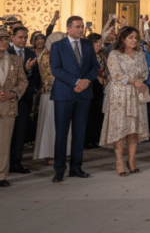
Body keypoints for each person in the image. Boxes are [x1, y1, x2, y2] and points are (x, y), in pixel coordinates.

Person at [50, 16, 100, 182]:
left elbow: (94, 67)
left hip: (84, 94)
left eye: (82, 27)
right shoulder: (57, 46)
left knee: (80, 133)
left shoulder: (87, 45)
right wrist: (77, 82)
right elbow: (56, 69)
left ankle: (76, 167)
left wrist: (85, 81)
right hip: (64, 95)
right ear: (69, 28)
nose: (81, 30)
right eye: (77, 27)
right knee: (62, 133)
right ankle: (59, 169)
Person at [100, 26, 149, 175]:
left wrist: (141, 81)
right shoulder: (115, 54)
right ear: (123, 39)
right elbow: (116, 75)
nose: (134, 40)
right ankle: (119, 162)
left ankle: (132, 161)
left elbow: (146, 71)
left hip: (136, 94)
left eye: (136, 37)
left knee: (133, 129)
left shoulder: (140, 54)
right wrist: (134, 81)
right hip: (120, 95)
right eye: (131, 37)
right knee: (120, 129)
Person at [7, 25, 40, 174]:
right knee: (7, 134)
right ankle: (4, 164)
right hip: (7, 99)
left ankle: (16, 163)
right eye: (20, 37)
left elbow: (36, 76)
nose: (23, 40)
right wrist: (24, 70)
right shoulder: (6, 52)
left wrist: (30, 71)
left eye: (25, 37)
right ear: (12, 38)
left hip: (24, 99)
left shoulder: (30, 52)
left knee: (20, 132)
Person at [34, 32, 71, 163]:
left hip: (61, 93)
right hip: (50, 95)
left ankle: (63, 152)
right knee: (51, 124)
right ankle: (50, 154)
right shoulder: (47, 56)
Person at [0, 39, 28, 188]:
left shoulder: (15, 59)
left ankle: (1, 176)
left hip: (8, 106)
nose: (4, 42)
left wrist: (12, 94)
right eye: (0, 39)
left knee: (4, 144)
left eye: (6, 39)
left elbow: (23, 81)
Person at [84, 32, 108, 149]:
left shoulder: (102, 56)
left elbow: (105, 69)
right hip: (90, 85)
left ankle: (96, 138)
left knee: (98, 113)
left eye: (100, 43)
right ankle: (87, 140)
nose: (99, 45)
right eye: (97, 43)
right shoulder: (86, 55)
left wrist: (105, 79)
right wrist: (96, 77)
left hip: (101, 87)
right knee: (89, 113)